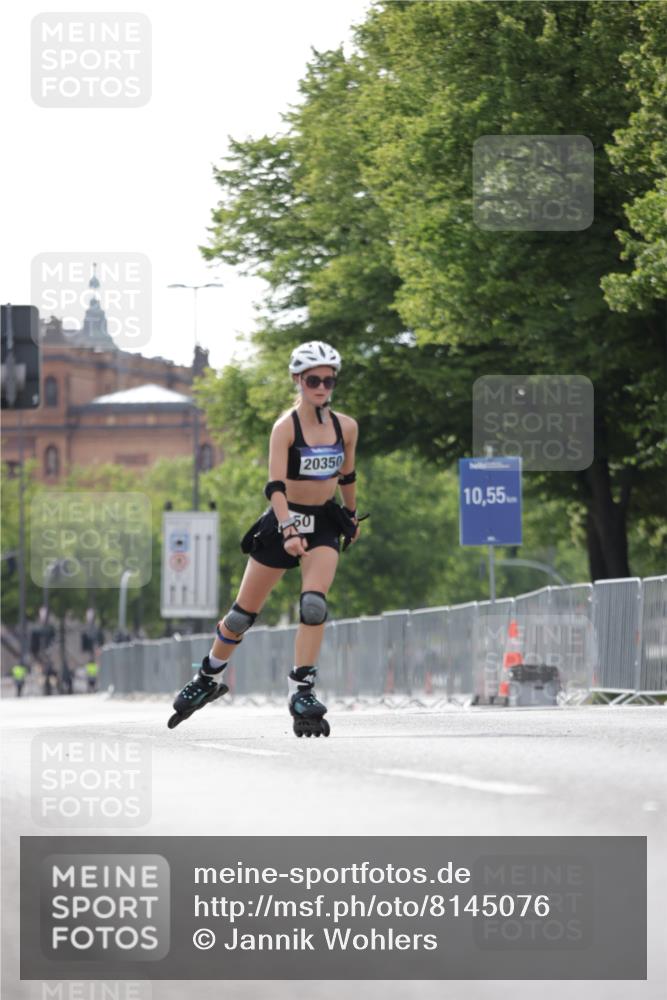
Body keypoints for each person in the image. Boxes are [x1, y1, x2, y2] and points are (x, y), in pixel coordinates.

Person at [168, 341, 362, 737]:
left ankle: (301, 688)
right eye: (313, 380)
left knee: (313, 605)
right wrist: (288, 528)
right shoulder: (285, 427)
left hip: (322, 522)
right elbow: (274, 485)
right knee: (241, 615)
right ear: (298, 380)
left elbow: (347, 477)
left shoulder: (347, 427)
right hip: (283, 519)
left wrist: (352, 514)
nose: (322, 387)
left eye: (328, 380)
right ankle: (208, 676)